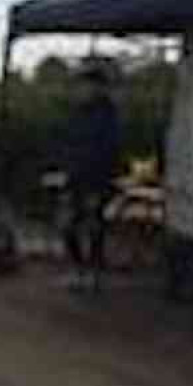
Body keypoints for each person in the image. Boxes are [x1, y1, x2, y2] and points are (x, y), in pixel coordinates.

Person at [61, 64, 122, 292]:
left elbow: (109, 150)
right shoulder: (78, 113)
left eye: (86, 85)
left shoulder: (107, 116)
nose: (82, 89)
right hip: (76, 177)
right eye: (81, 85)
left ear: (98, 87)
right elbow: (70, 144)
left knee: (94, 227)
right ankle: (79, 269)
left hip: (97, 180)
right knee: (69, 226)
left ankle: (93, 274)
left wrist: (103, 181)